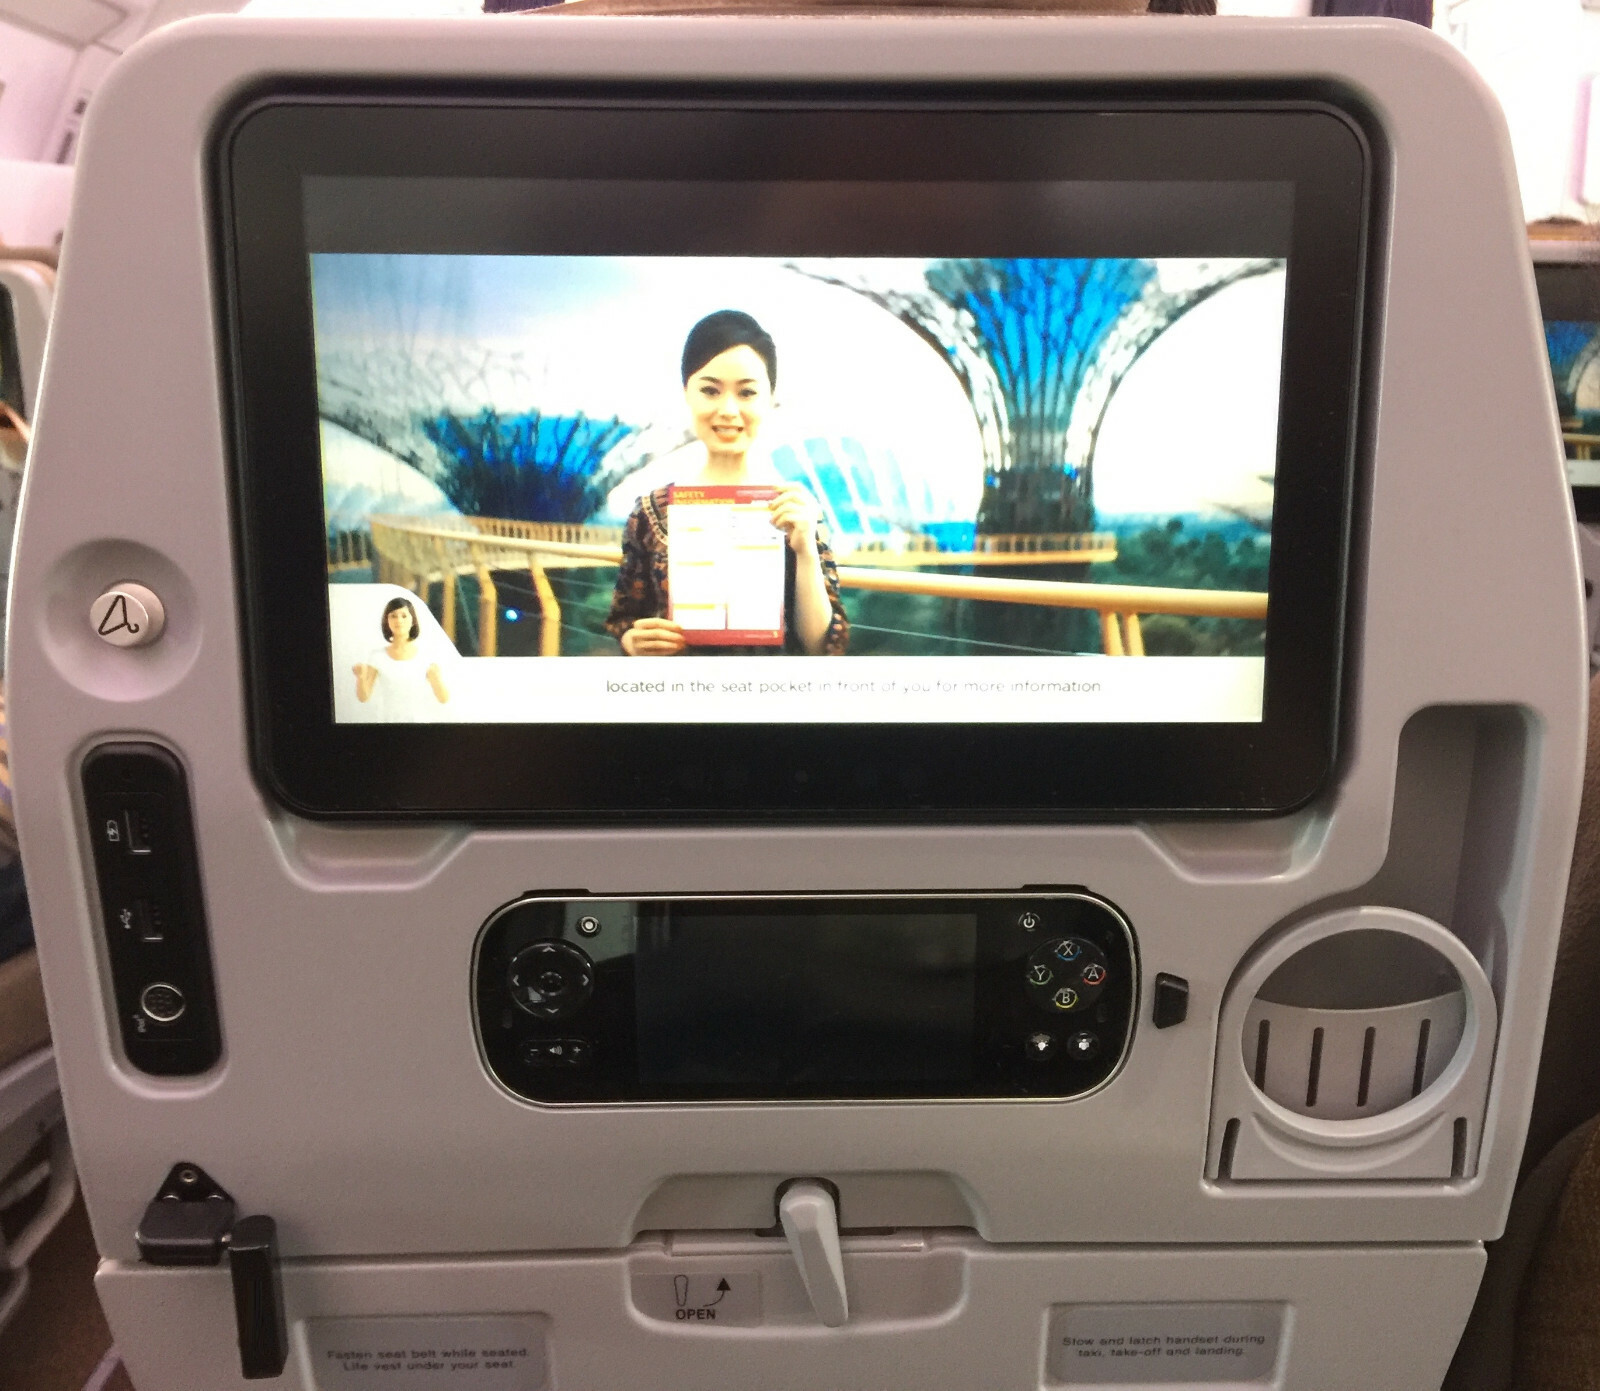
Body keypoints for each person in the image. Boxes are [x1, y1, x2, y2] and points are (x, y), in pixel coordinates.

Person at [606, 310, 849, 656]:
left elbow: (820, 646)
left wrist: (806, 550)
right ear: (687, 393)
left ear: (770, 399)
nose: (728, 410)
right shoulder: (650, 511)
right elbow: (625, 618)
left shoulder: (796, 509)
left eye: (747, 392)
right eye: (710, 390)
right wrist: (633, 640)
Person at [353, 596, 450, 715]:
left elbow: (443, 699)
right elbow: (364, 698)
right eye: (393, 616)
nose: (398, 620)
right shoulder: (377, 656)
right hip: (389, 722)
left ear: (413, 620)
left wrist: (437, 678)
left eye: (404, 616)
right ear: (387, 621)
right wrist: (360, 678)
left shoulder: (426, 656)